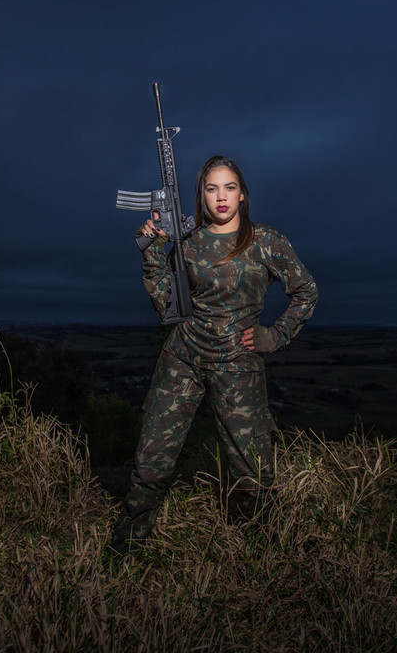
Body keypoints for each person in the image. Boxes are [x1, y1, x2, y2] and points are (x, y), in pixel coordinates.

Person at [111, 154, 318, 552]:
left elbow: (306, 292)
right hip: (182, 358)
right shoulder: (187, 241)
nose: (220, 197)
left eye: (229, 187)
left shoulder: (266, 241)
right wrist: (153, 249)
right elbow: (167, 304)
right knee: (151, 461)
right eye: (211, 188)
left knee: (253, 471)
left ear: (243, 196)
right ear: (201, 196)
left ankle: (252, 555)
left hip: (237, 365)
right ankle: (127, 547)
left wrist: (274, 337)